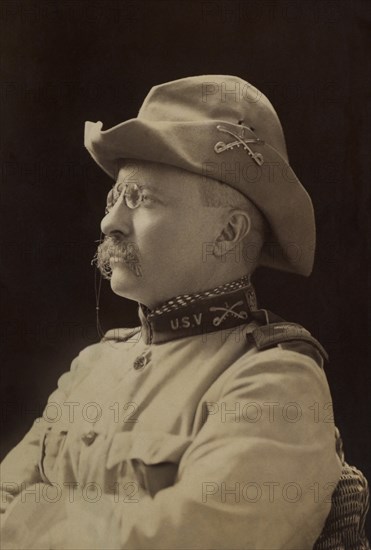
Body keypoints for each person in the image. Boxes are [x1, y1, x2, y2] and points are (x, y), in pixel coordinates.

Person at [0, 75, 369, 549]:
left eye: (141, 198)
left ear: (228, 233)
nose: (109, 220)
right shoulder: (93, 366)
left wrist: (38, 517)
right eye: (115, 197)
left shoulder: (276, 379)